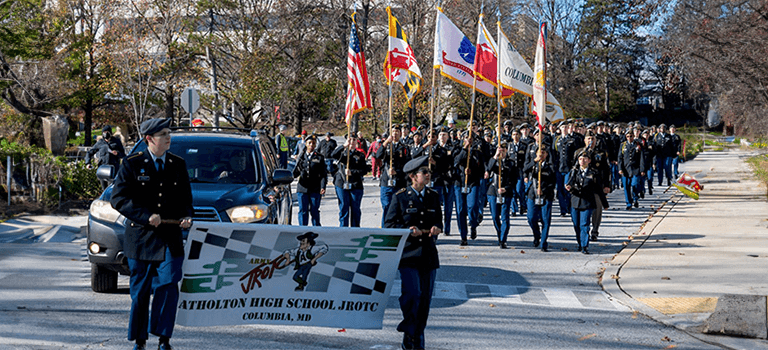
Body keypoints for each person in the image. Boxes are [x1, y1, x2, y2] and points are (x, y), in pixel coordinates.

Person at [110, 118, 193, 350]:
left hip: (170, 239)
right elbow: (118, 199)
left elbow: (186, 199)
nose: (169, 137)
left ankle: (164, 338)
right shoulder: (132, 163)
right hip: (141, 239)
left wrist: (187, 216)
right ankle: (140, 340)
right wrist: (145, 216)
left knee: (169, 284)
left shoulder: (177, 164)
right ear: (149, 139)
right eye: (163, 134)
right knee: (141, 292)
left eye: (169, 133)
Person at [383, 155, 442, 350]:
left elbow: (439, 221)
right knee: (412, 294)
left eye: (428, 172)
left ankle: (416, 338)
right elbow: (389, 224)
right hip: (408, 255)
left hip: (428, 255)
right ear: (412, 176)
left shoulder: (433, 195)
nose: (428, 175)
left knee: (424, 301)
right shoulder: (400, 197)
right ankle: (410, 331)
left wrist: (436, 228)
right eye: (423, 172)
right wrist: (407, 231)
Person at [566, 150, 602, 254]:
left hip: (587, 202)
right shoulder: (574, 171)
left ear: (589, 160)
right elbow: (570, 183)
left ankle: (584, 245)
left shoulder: (593, 173)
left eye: (585, 159)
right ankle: (579, 242)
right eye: (580, 159)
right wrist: (569, 187)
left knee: (584, 224)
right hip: (575, 201)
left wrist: (604, 203)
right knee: (576, 225)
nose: (582, 161)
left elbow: (598, 189)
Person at [375, 126, 411, 227]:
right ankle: (385, 229)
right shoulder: (386, 145)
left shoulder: (404, 147)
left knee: (398, 207)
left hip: (399, 182)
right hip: (386, 181)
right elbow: (378, 155)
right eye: (393, 131)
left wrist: (397, 172)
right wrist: (385, 143)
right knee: (386, 206)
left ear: (400, 133)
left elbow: (407, 165)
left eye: (397, 132)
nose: (395, 134)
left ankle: (396, 229)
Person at [523, 143, 556, 252]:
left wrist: (544, 190)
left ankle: (543, 242)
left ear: (546, 154)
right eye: (539, 153)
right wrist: (534, 161)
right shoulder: (533, 164)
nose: (541, 155)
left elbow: (553, 182)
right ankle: (537, 235)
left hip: (546, 195)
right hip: (533, 194)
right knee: (531, 218)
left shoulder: (551, 166)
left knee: (545, 220)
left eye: (543, 153)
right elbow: (524, 169)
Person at [331, 136, 367, 227]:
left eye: (354, 140)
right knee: (344, 207)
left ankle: (355, 229)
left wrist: (353, 172)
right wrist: (344, 146)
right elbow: (333, 154)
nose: (352, 142)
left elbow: (364, 170)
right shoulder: (342, 153)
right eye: (350, 140)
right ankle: (343, 229)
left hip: (355, 184)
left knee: (355, 209)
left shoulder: (360, 155)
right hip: (342, 183)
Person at [486, 143, 517, 249]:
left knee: (505, 217)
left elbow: (514, 180)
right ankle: (500, 234)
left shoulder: (511, 163)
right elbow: (488, 169)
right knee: (495, 216)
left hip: (506, 192)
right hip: (493, 191)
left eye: (504, 150)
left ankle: (503, 239)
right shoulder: (493, 161)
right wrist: (495, 155)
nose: (502, 152)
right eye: (500, 150)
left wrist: (506, 189)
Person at [293, 135, 327, 226]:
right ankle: (303, 230)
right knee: (303, 210)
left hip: (315, 188)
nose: (311, 145)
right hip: (302, 187)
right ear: (305, 144)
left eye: (313, 143)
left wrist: (323, 186)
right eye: (309, 143)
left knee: (314, 210)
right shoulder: (301, 156)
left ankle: (316, 230)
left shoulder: (319, 157)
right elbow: (294, 174)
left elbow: (323, 174)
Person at [619, 131, 645, 210]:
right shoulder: (623, 145)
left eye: (631, 136)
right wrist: (620, 168)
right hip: (625, 169)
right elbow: (620, 158)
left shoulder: (638, 145)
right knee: (626, 187)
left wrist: (642, 169)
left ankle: (635, 197)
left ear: (633, 136)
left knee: (635, 184)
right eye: (628, 136)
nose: (629, 138)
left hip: (635, 169)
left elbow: (641, 158)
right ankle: (629, 203)